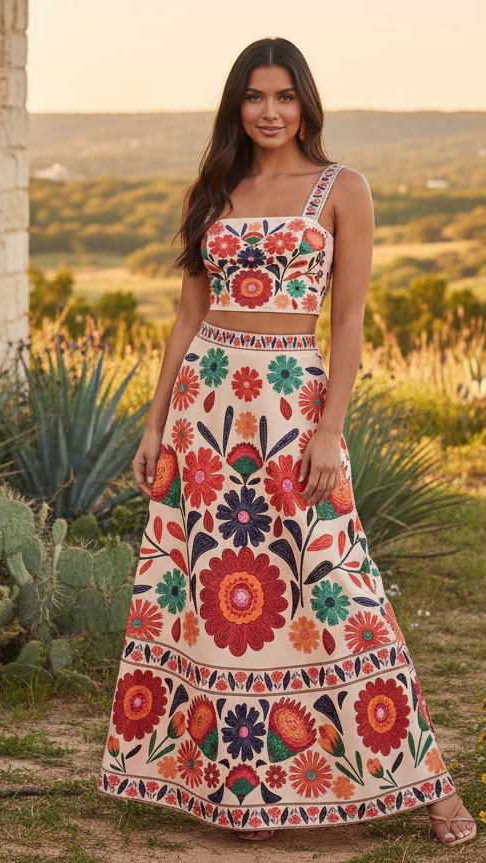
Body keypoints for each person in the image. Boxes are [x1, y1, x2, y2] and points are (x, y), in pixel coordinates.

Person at [99, 37, 476, 847]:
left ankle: (429, 784)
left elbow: (347, 318)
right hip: (208, 409)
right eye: (254, 97)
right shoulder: (214, 189)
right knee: (221, 594)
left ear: (306, 102)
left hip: (292, 405)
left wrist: (330, 426)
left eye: (284, 96)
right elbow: (188, 315)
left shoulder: (344, 189)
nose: (270, 111)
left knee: (337, 585)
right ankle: (249, 788)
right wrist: (155, 419)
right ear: (237, 105)